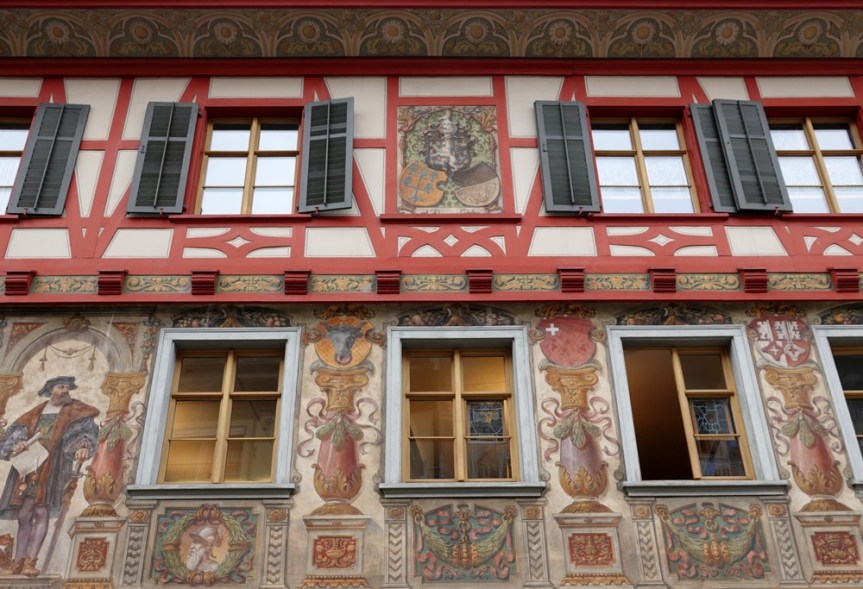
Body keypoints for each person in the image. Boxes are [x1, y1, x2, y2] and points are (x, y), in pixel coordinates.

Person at [0, 376, 99, 577]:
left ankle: (30, 561)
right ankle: (19, 560)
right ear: (50, 390)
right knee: (24, 514)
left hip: (52, 465)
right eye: (61, 387)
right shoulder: (37, 411)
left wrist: (83, 445)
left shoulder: (76, 410)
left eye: (67, 387)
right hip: (28, 465)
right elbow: (17, 434)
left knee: (41, 511)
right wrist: (18, 444)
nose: (65, 390)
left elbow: (85, 432)